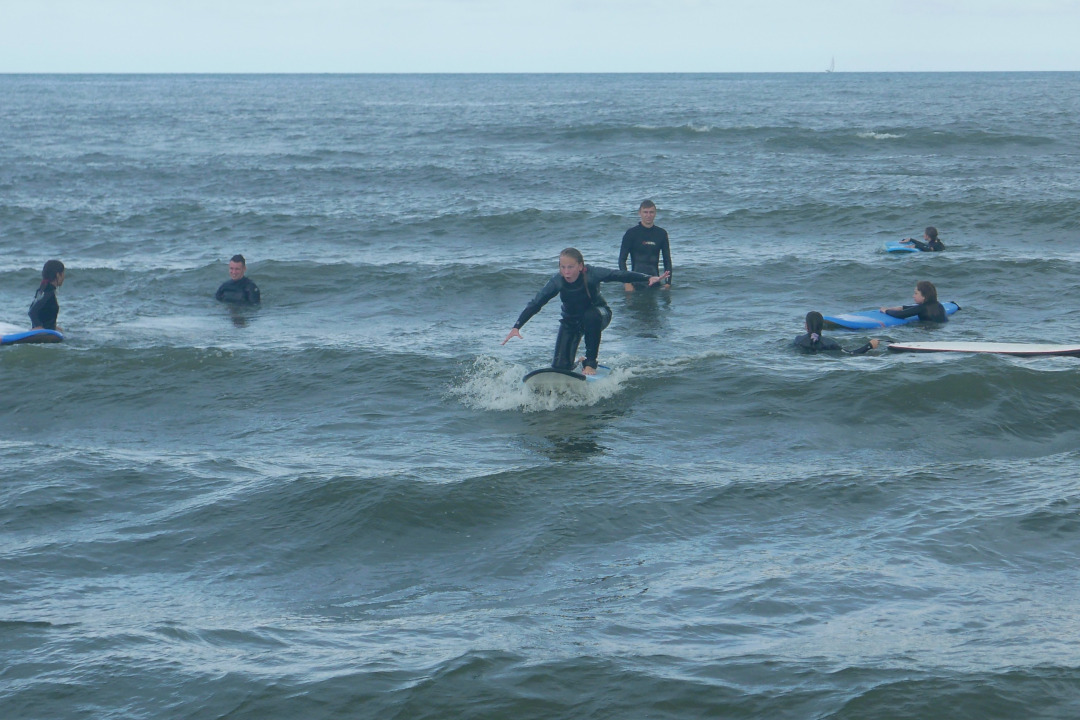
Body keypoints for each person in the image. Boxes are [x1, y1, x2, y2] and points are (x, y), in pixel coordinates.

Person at [503, 248, 668, 375]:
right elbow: (536, 303)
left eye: (570, 267)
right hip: (571, 323)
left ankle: (590, 362)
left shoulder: (592, 274)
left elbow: (618, 275)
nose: (566, 272)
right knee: (560, 368)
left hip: (599, 314)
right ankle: (578, 362)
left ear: (580, 266)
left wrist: (647, 278)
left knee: (590, 316)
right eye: (563, 267)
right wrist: (517, 326)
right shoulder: (557, 282)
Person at [618, 199, 672, 292]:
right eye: (645, 212)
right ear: (640, 213)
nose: (648, 215)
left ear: (655, 213)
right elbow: (622, 260)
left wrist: (668, 283)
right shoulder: (631, 233)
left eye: (651, 212)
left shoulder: (661, 234)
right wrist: (627, 283)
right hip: (635, 284)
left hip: (655, 283)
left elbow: (667, 260)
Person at [795, 311, 879, 354]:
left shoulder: (798, 340)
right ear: (822, 326)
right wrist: (869, 346)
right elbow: (851, 354)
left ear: (806, 325)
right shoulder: (830, 344)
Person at [880, 280, 947, 323]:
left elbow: (900, 315)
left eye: (916, 293)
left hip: (927, 330)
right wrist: (902, 307)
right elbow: (916, 308)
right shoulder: (939, 305)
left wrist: (886, 310)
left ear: (924, 296)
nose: (913, 296)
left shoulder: (922, 308)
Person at [29, 259, 65, 331]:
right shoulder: (48, 293)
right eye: (63, 274)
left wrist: (53, 327)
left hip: (47, 333)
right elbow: (32, 311)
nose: (64, 277)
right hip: (43, 336)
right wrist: (39, 327)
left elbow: (43, 312)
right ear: (58, 275)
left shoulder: (42, 290)